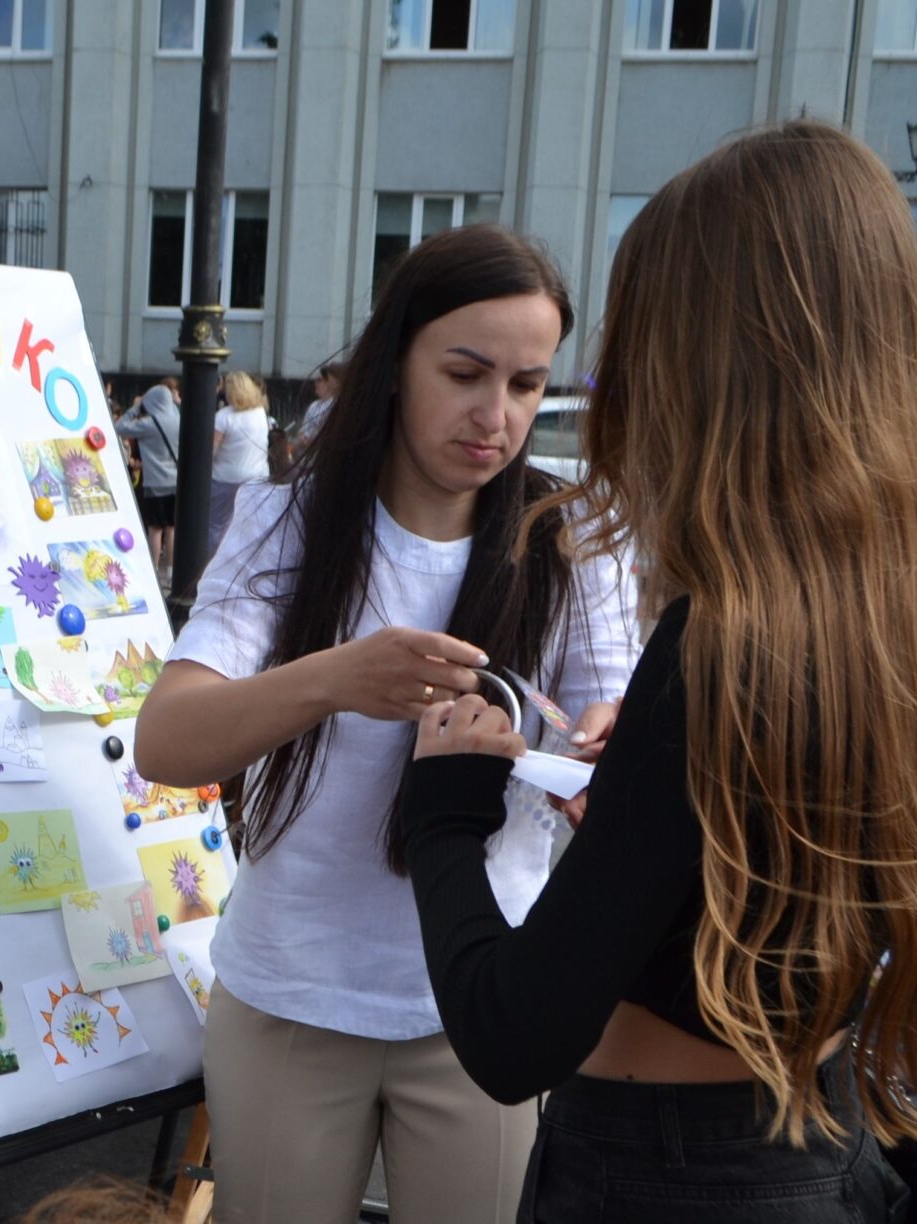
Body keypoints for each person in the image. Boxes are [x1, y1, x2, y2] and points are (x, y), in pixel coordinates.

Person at [399, 122, 917, 1221]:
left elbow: (512, 1037)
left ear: (706, 360)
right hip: (812, 1134)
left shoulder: (723, 642)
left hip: (665, 1171)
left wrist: (445, 812)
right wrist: (640, 809)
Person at [136, 224, 639, 1223]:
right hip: (290, 996)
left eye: (527, 385)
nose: (495, 416)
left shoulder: (571, 537)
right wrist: (334, 678)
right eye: (465, 373)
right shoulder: (290, 522)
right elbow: (168, 741)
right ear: (395, 361)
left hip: (484, 1000)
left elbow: (606, 717)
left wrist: (601, 747)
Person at [115, 376, 183, 581]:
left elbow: (120, 427)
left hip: (154, 482)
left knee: (155, 529)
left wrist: (136, 407)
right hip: (176, 481)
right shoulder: (178, 419)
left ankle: (153, 571)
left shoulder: (148, 424)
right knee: (171, 529)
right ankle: (171, 570)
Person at [208, 369, 274, 547]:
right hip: (257, 477)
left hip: (225, 477)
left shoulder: (223, 417)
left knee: (216, 526)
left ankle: (215, 560)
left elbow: (211, 451)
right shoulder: (260, 412)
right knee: (251, 525)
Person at [294, 361, 343, 452]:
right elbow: (302, 431)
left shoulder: (337, 404)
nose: (316, 383)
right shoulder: (314, 406)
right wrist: (302, 440)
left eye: (319, 380)